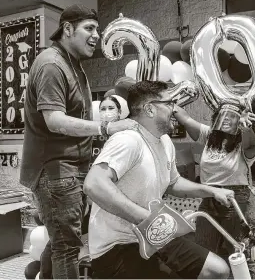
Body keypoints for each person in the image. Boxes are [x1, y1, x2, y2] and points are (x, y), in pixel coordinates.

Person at [20, 4, 136, 279]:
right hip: (56, 171)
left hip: (70, 170)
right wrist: (106, 127)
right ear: (67, 29)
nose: (96, 35)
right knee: (67, 248)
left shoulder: (73, 63)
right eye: (89, 28)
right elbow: (55, 121)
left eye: (97, 29)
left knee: (62, 242)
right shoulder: (52, 64)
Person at [84, 80, 235, 279]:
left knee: (217, 271)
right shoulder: (129, 139)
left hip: (152, 236)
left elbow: (173, 183)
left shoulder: (164, 141)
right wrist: (146, 219)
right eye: (170, 103)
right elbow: (93, 184)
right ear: (149, 109)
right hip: (118, 245)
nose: (176, 108)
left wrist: (212, 190)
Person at [173, 103, 255, 278]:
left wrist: (247, 128)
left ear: (240, 120)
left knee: (240, 255)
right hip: (209, 198)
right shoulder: (209, 136)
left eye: (233, 115)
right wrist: (166, 102)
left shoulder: (245, 142)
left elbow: (249, 142)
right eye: (223, 114)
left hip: (236, 201)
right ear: (216, 118)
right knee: (203, 253)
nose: (227, 118)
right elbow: (185, 118)